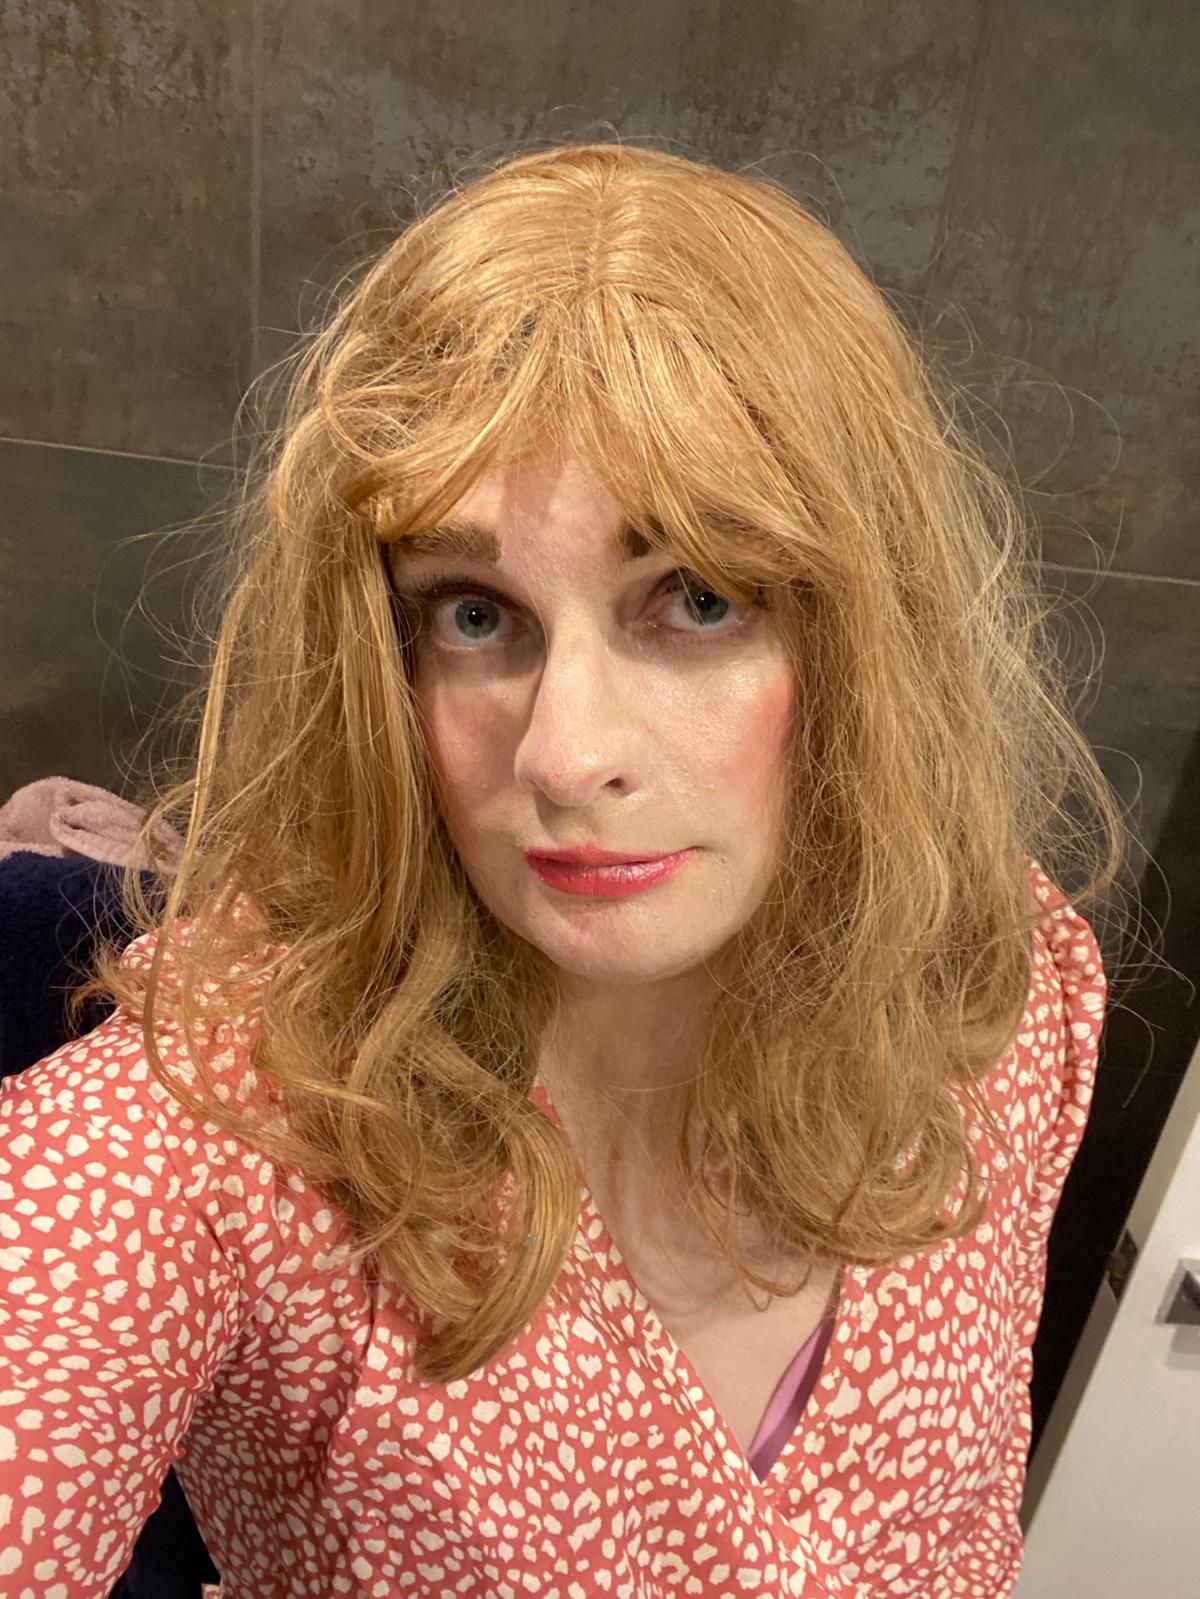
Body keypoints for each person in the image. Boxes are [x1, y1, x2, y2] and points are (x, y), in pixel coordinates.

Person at [0, 140, 1124, 1598]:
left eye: (698, 597)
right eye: (473, 613)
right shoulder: (204, 1145)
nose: (564, 753)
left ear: (867, 638)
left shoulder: (1007, 987)